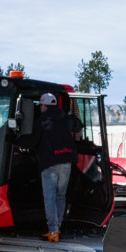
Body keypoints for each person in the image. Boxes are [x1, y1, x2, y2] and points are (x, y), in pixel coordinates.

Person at [29, 92, 78, 242]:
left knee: (49, 197)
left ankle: (53, 231)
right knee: (60, 196)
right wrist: (71, 116)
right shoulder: (66, 118)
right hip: (66, 162)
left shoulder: (41, 121)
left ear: (43, 106)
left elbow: (32, 141)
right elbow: (77, 125)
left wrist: (15, 140)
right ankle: (57, 227)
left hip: (49, 163)